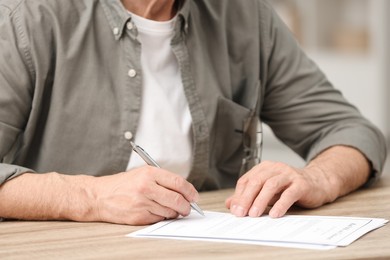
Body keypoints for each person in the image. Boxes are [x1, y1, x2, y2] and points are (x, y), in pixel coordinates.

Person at [0, 0, 386, 225]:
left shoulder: (246, 17)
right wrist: (89, 196)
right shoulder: (27, 17)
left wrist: (317, 178)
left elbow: (351, 131)